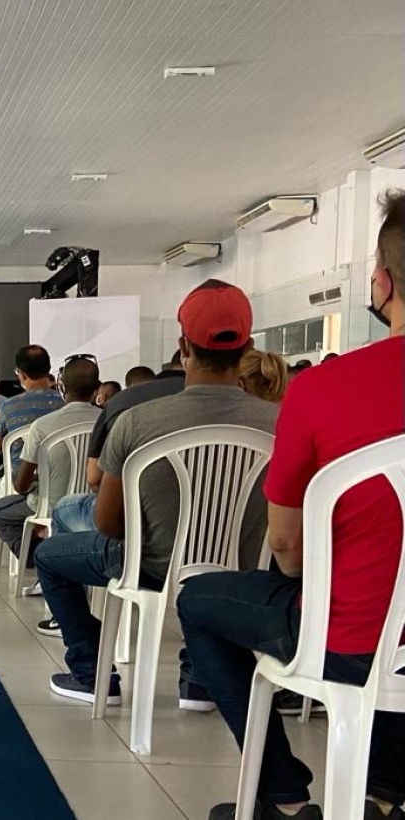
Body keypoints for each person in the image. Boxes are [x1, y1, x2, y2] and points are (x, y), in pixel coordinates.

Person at [181, 191, 405, 820]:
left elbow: (286, 544)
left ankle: (281, 795)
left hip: (346, 634)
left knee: (199, 602)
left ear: (381, 283)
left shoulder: (325, 390)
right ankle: (384, 794)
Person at [36, 280, 277, 709]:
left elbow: (108, 524)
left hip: (149, 566)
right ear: (248, 347)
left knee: (50, 557)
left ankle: (92, 673)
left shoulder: (137, 421)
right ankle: (201, 679)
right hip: (242, 570)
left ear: (183, 347)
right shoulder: (280, 424)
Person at [33, 352, 187, 636]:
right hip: (240, 570)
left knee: (55, 536)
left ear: (184, 346)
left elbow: (96, 488)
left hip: (148, 557)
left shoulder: (128, 409)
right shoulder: (267, 413)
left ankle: (87, 666)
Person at [0, 357, 101, 573]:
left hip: (52, 504)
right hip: (96, 505)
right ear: (97, 388)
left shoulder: (43, 426)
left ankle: (40, 561)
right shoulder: (108, 420)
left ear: (62, 386)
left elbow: (21, 485)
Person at [0, 345, 64, 467]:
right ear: (48, 369)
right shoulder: (64, 403)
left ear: (23, 374)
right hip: (57, 475)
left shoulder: (8, 406)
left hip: (19, 479)